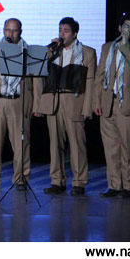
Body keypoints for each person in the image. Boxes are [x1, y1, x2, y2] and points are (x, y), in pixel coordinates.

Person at [0, 18, 42, 191]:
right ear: (3, 30)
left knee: (21, 143)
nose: (10, 34)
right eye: (7, 30)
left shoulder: (29, 51)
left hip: (19, 101)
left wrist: (37, 105)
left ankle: (21, 178)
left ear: (20, 32)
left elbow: (36, 80)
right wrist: (0, 52)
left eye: (14, 31)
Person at [39, 17, 96, 196]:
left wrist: (87, 107)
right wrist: (50, 51)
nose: (61, 34)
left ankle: (79, 181)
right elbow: (39, 69)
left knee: (77, 144)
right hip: (54, 101)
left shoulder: (87, 52)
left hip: (74, 101)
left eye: (65, 31)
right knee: (55, 144)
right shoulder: (53, 51)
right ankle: (57, 180)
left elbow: (90, 82)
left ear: (74, 34)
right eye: (60, 30)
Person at [93, 13, 130, 198]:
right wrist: (96, 100)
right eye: (126, 26)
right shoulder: (107, 47)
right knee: (111, 147)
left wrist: (126, 45)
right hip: (109, 102)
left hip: (128, 103)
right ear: (120, 28)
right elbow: (100, 74)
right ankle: (114, 185)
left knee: (129, 147)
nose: (129, 30)